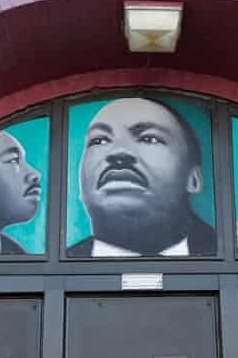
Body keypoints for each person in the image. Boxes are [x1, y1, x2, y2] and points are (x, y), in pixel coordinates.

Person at [67, 97, 216, 257]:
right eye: (100, 140)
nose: (119, 152)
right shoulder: (41, 269)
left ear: (193, 179)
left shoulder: (237, 254)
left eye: (149, 139)